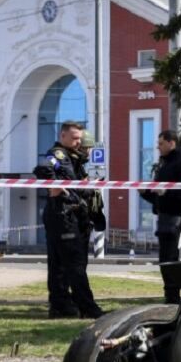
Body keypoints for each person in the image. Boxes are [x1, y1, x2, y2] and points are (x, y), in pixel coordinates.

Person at [37, 121, 104, 319]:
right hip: (63, 214)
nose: (78, 142)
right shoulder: (57, 155)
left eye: (79, 139)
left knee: (59, 266)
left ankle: (61, 306)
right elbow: (43, 169)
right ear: (63, 135)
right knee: (74, 264)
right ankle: (87, 308)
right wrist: (54, 187)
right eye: (74, 138)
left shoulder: (73, 158)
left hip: (69, 215)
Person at [140, 130, 181, 304]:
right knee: (165, 258)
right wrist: (145, 193)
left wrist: (166, 192)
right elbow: (159, 196)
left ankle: (173, 297)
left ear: (172, 143)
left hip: (176, 215)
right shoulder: (164, 164)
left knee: (170, 258)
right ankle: (170, 295)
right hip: (164, 215)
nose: (158, 147)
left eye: (161, 144)